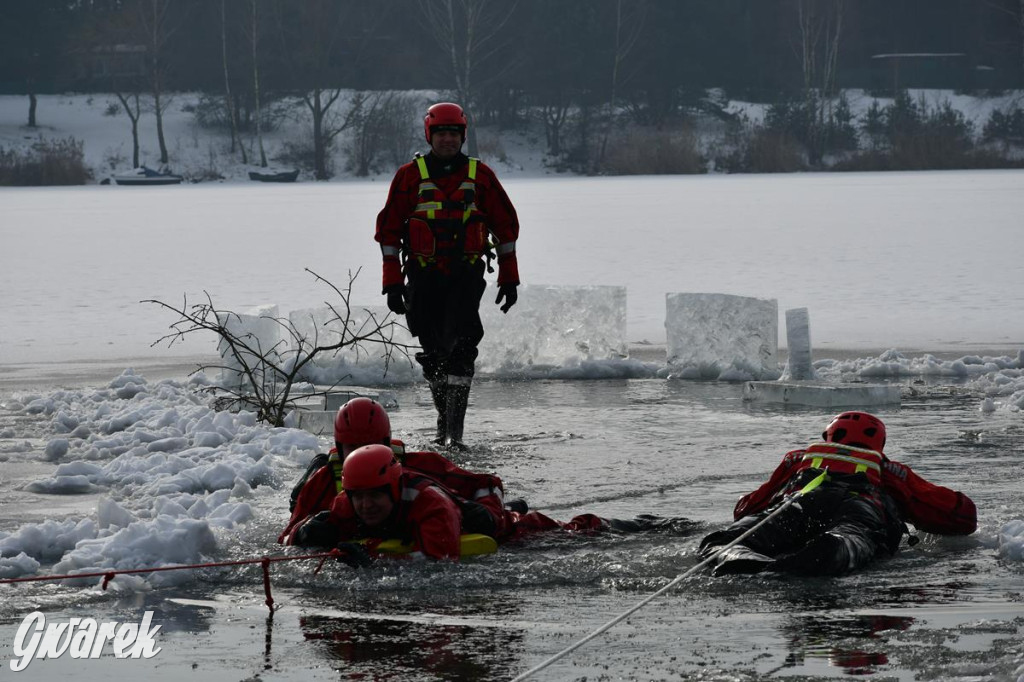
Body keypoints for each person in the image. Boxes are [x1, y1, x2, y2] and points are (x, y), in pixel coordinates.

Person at [374, 102, 521, 450]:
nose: (448, 141)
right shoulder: (409, 176)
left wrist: (509, 277)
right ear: (430, 135)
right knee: (434, 353)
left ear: (462, 136)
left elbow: (506, 227)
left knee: (463, 347)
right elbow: (388, 233)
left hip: (465, 277)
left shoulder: (480, 175)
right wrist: (392, 284)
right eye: (441, 134)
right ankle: (444, 423)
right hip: (423, 279)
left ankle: (455, 432)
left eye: (454, 134)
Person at [286, 444, 696, 563]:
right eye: (359, 498)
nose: (368, 506)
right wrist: (309, 533)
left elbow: (437, 563)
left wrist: (371, 562)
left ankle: (651, 524)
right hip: (462, 515)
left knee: (581, 531)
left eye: (376, 495)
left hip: (517, 533)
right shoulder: (346, 503)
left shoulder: (430, 504)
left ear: (393, 489)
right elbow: (301, 538)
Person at [699, 411, 977, 577]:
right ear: (878, 443)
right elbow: (959, 516)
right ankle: (834, 548)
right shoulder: (888, 469)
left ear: (829, 437)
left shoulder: (799, 459)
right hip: (861, 506)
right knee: (853, 535)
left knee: (729, 539)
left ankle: (736, 554)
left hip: (798, 503)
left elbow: (747, 509)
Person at [278, 396, 519, 546]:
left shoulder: (421, 471)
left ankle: (513, 510)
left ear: (388, 441)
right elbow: (287, 536)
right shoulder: (322, 483)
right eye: (354, 447)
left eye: (372, 444)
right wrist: (304, 534)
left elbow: (487, 484)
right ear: (339, 447)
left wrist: (490, 514)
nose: (365, 454)